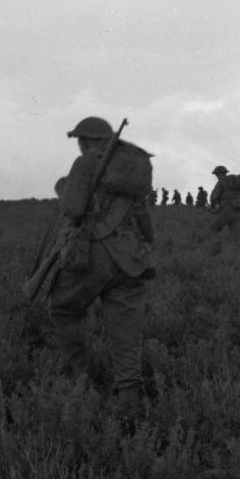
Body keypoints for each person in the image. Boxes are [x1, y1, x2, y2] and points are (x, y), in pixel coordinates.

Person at [48, 116, 154, 424]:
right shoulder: (131, 169)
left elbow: (74, 209)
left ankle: (80, 381)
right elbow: (145, 223)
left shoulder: (85, 164)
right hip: (130, 260)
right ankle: (130, 401)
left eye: (80, 141)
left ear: (84, 141)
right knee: (127, 332)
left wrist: (64, 188)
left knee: (64, 311)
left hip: (88, 258)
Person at [209, 165, 240, 241]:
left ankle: (215, 247)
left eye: (217, 174)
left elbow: (214, 197)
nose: (216, 176)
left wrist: (214, 206)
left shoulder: (221, 182)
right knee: (237, 237)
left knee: (213, 229)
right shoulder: (235, 184)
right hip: (239, 211)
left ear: (220, 174)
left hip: (227, 211)